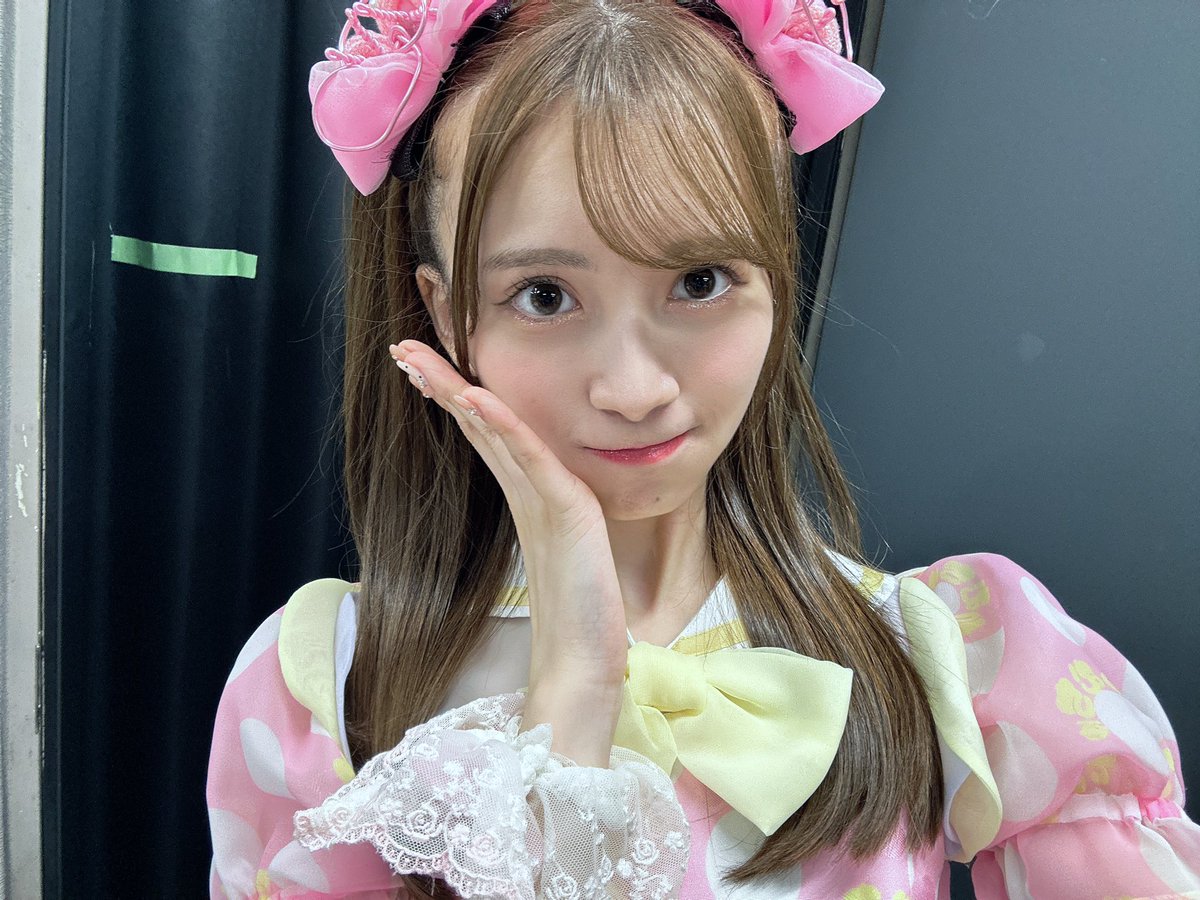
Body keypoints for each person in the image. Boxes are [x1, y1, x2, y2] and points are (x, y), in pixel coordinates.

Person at [206, 0, 1200, 896]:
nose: (635, 388)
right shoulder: (321, 689)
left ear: (775, 270)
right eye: (545, 296)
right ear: (445, 311)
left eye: (700, 281)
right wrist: (571, 694)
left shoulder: (959, 661)